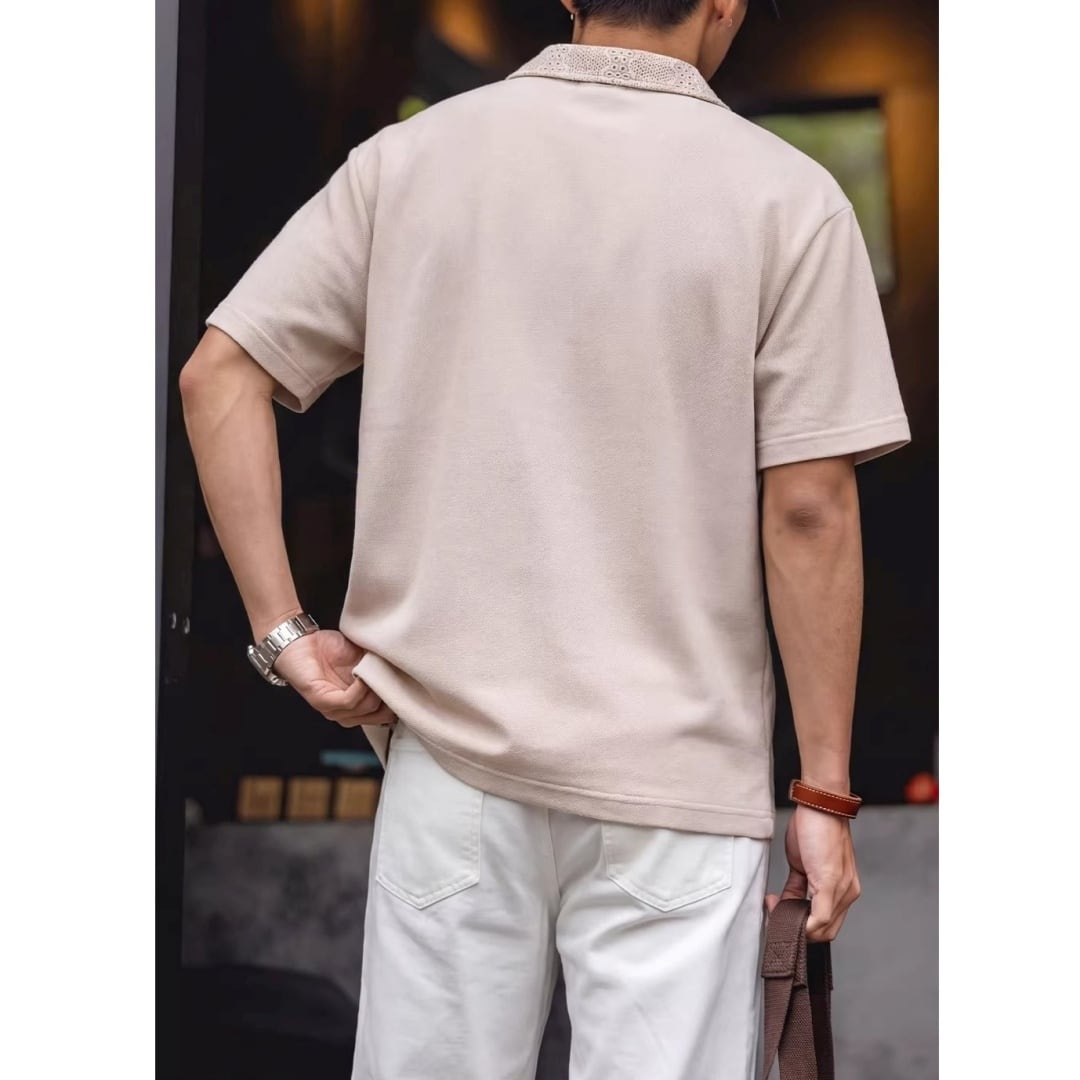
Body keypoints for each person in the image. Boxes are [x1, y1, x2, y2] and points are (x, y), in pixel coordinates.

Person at [179, 1, 910, 1076]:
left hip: (452, 761)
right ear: (727, 3)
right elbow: (809, 510)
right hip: (677, 778)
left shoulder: (411, 161)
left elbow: (220, 375)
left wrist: (283, 634)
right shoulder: (788, 198)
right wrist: (824, 794)